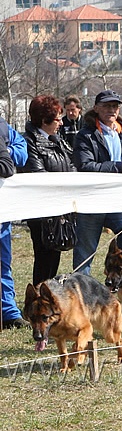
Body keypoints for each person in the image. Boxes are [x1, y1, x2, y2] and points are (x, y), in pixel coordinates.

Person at [72, 89, 122, 275]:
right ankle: (82, 292)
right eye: (106, 106)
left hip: (117, 201)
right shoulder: (85, 135)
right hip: (92, 202)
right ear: (96, 108)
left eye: (115, 106)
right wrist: (121, 167)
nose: (111, 110)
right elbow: (85, 166)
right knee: (85, 254)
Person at [23, 95, 76, 285]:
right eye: (57, 119)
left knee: (54, 257)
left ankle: (48, 296)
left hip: (58, 208)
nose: (61, 123)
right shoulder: (29, 142)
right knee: (44, 257)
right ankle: (38, 298)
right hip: (40, 211)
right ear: (44, 120)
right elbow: (38, 173)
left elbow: (71, 166)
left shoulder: (57, 140)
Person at [0, 116, 28, 329]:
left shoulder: (2, 126)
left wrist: (7, 152)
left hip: (3, 211)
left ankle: (9, 313)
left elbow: (22, 149)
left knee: (3, 264)